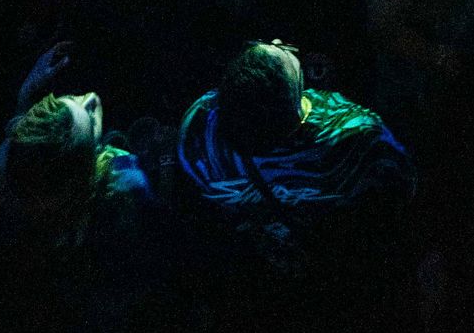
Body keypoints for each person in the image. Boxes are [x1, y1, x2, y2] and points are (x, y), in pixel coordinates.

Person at [176, 38, 416, 289]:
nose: (279, 42)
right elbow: (404, 185)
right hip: (338, 275)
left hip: (255, 274)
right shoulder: (355, 136)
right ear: (297, 110)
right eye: (283, 53)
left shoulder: (200, 130)